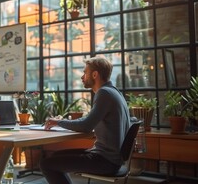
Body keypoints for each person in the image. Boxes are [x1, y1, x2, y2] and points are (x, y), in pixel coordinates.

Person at [40, 56, 131, 184]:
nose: (82, 77)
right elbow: (89, 119)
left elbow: (86, 126)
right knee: (55, 157)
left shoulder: (104, 93)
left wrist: (58, 122)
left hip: (105, 161)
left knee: (46, 164)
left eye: (85, 72)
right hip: (111, 158)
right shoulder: (114, 92)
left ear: (94, 74)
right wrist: (62, 121)